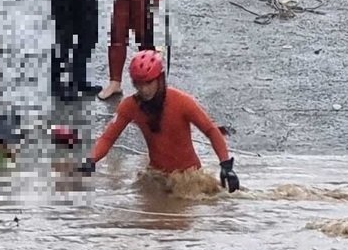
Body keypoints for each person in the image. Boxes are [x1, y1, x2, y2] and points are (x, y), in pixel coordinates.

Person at [79, 50, 239, 190]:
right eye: (138, 83)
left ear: (160, 79)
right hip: (155, 176)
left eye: (148, 82)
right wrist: (90, 161)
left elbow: (211, 130)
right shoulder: (130, 106)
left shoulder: (182, 101)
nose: (144, 89)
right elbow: (107, 138)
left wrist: (226, 166)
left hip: (189, 178)